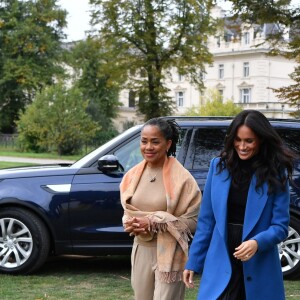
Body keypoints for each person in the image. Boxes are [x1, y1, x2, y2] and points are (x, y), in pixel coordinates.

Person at [183, 110, 296, 300]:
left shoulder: (277, 173)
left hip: (258, 262)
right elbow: (206, 221)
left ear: (261, 140)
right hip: (221, 257)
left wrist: (257, 242)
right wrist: (193, 262)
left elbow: (280, 227)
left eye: (249, 141)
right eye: (237, 139)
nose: (242, 146)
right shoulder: (217, 167)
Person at [120, 118, 201, 300]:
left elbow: (194, 222)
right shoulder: (131, 176)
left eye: (155, 142)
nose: (148, 147)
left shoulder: (183, 180)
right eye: (144, 141)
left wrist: (156, 220)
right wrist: (131, 224)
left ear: (168, 144)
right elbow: (128, 213)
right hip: (141, 249)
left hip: (170, 253)